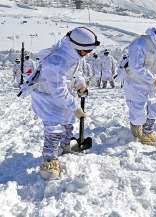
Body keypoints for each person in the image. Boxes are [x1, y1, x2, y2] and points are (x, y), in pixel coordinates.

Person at [24, 27, 100, 179]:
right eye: (87, 50)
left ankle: (66, 145)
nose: (88, 53)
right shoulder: (57, 61)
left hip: (62, 95)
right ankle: (49, 160)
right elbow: (58, 91)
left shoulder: (74, 55)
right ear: (77, 47)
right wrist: (75, 106)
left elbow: (75, 72)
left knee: (67, 123)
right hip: (47, 97)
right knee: (54, 128)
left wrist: (80, 83)